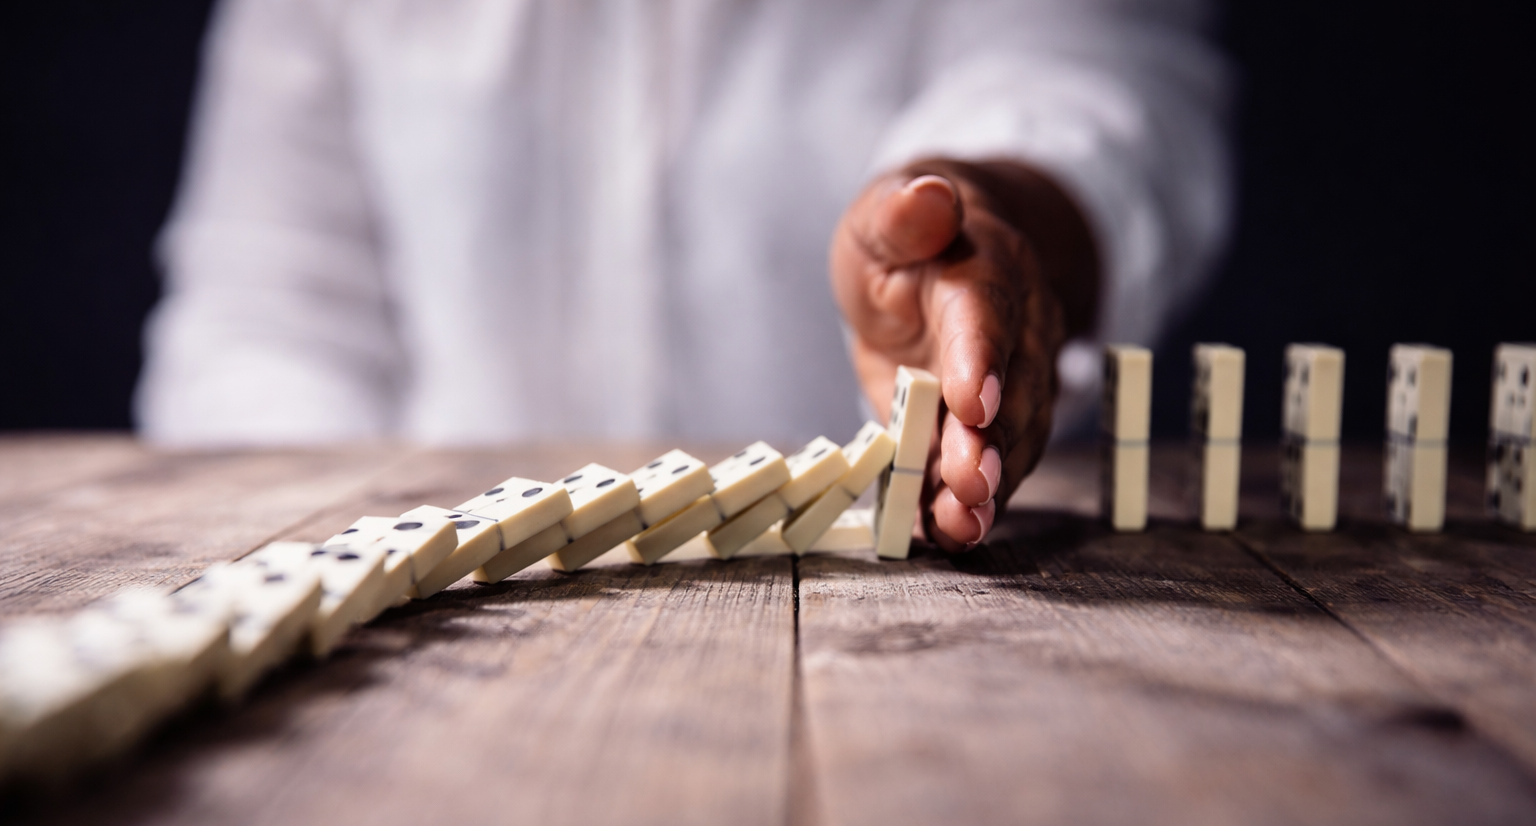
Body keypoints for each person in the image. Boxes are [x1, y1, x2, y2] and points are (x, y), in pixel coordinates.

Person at [135, 0, 1231, 553]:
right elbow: (263, 321)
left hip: (894, 631)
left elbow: (1089, 75)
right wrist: (356, 570)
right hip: (429, 623)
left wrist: (1003, 219)